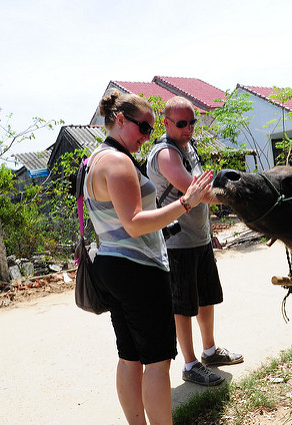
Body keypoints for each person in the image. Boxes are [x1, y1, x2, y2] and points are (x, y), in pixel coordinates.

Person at [85, 90, 213, 425]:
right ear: (121, 120)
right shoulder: (117, 162)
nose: (146, 137)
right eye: (143, 128)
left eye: (151, 131)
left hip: (111, 266)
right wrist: (186, 202)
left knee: (129, 357)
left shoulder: (95, 159)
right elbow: (135, 223)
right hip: (137, 270)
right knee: (157, 360)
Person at [147, 96, 243, 386]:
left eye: (192, 122)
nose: (188, 128)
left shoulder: (189, 148)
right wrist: (239, 200)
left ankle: (210, 351)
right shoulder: (165, 154)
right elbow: (195, 190)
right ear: (166, 123)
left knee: (206, 297)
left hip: (199, 238)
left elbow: (204, 185)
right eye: (181, 123)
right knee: (183, 306)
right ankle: (189, 364)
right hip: (178, 244)